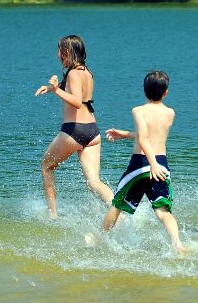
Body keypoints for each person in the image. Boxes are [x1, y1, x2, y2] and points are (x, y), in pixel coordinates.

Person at [103, 71, 185, 253]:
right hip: (161, 163)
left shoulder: (138, 110)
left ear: (144, 90)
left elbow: (143, 138)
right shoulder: (170, 113)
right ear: (166, 93)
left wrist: (151, 162)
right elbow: (150, 135)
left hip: (140, 163)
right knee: (163, 211)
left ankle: (101, 237)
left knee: (117, 205)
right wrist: (125, 134)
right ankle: (177, 243)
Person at [34, 35, 113, 218]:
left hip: (74, 131)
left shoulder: (74, 73)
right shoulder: (86, 72)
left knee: (46, 166)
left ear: (67, 52)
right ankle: (117, 210)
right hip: (92, 132)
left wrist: (56, 90)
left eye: (59, 51)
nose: (58, 55)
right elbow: (78, 93)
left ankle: (52, 215)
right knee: (94, 182)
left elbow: (77, 101)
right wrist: (51, 87)